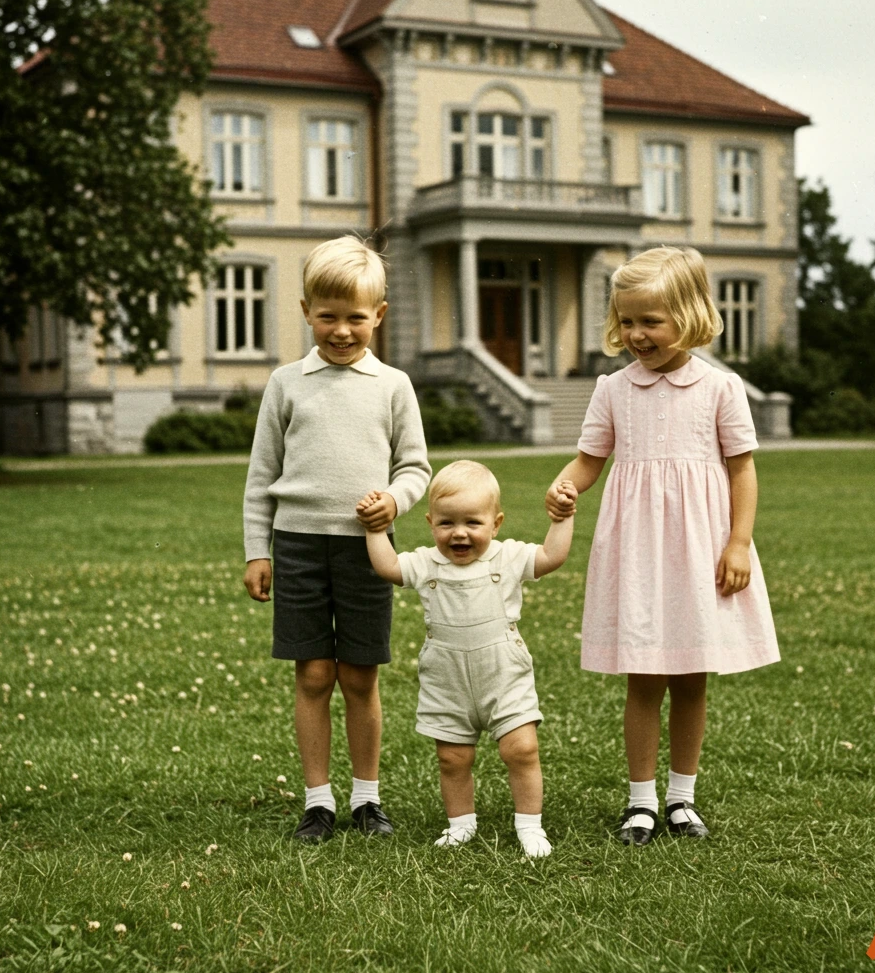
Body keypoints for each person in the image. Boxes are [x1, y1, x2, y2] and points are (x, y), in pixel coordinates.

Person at [545, 247, 780, 846]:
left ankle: (682, 798)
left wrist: (739, 542)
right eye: (627, 321)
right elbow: (590, 459)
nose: (636, 334)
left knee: (692, 676)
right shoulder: (613, 388)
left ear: (692, 314)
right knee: (643, 675)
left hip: (701, 547)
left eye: (651, 321)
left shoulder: (721, 389)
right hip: (637, 551)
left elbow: (742, 471)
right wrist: (566, 486)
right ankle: (641, 802)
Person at [243, 236, 431, 843]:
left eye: (356, 318)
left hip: (366, 549)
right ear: (306, 312)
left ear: (379, 314)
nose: (342, 331)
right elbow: (260, 476)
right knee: (314, 675)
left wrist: (394, 501)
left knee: (359, 676)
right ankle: (318, 802)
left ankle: (367, 800)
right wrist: (257, 549)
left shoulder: (393, 386)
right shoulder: (286, 383)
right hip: (297, 545)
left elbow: (416, 468)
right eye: (328, 316)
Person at [360, 460, 576, 858]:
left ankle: (530, 826)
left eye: (472, 523)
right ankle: (461, 823)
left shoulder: (507, 558)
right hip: (447, 678)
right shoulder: (427, 563)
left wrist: (561, 518)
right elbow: (388, 566)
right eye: (446, 523)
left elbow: (551, 556)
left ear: (496, 524)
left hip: (504, 674)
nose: (459, 533)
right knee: (452, 757)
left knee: (521, 748)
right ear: (430, 524)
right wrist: (375, 531)